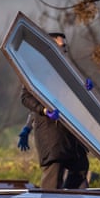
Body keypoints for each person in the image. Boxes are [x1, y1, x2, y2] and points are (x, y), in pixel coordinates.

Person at [20, 32, 89, 189]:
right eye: (59, 47)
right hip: (51, 133)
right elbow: (25, 97)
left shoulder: (68, 70)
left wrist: (86, 89)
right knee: (53, 176)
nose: (63, 50)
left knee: (81, 167)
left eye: (64, 47)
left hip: (70, 133)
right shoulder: (36, 70)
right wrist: (44, 110)